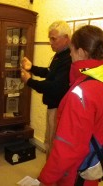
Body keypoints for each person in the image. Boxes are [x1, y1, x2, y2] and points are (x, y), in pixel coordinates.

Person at [38, 25, 103, 186]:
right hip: (92, 167)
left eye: (71, 49)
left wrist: (45, 179)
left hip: (76, 173)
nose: (70, 54)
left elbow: (67, 147)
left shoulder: (82, 92)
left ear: (81, 52)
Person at [21, 20, 72, 158]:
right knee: (49, 141)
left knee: (54, 144)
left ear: (66, 38)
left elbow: (54, 87)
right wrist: (31, 68)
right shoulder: (60, 54)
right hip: (53, 106)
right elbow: (49, 72)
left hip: (59, 108)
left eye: (53, 39)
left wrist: (29, 81)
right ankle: (49, 175)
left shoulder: (68, 59)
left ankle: (52, 177)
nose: (50, 42)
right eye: (50, 38)